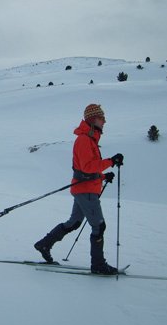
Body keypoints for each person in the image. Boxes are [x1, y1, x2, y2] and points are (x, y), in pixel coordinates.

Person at [34, 103, 124, 275]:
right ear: (92, 120)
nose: (104, 121)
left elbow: (88, 169)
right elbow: (88, 167)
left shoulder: (89, 139)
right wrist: (110, 161)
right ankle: (98, 265)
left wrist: (104, 176)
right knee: (99, 226)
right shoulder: (84, 140)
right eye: (101, 118)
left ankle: (44, 244)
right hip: (86, 191)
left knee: (74, 223)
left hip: (85, 188)